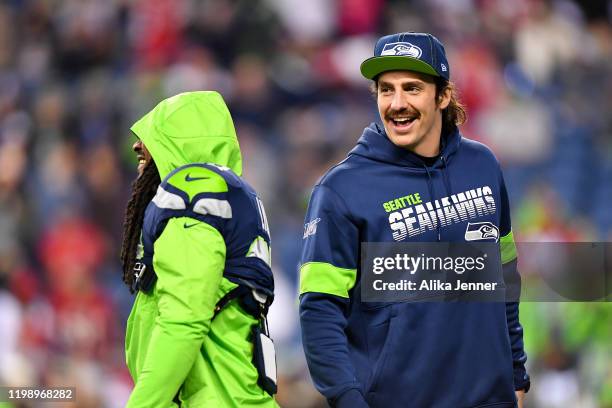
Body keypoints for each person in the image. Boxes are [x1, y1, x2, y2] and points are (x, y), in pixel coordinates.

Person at [299, 32, 530, 407]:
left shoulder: (483, 166)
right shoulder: (341, 189)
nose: (397, 104)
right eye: (386, 90)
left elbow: (504, 275)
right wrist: (347, 399)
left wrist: (516, 372)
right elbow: (320, 310)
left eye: (412, 88)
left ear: (442, 96)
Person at [120, 91, 278, 407]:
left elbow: (183, 321)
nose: (138, 145)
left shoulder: (193, 191)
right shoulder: (230, 196)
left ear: (182, 141)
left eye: (156, 135)